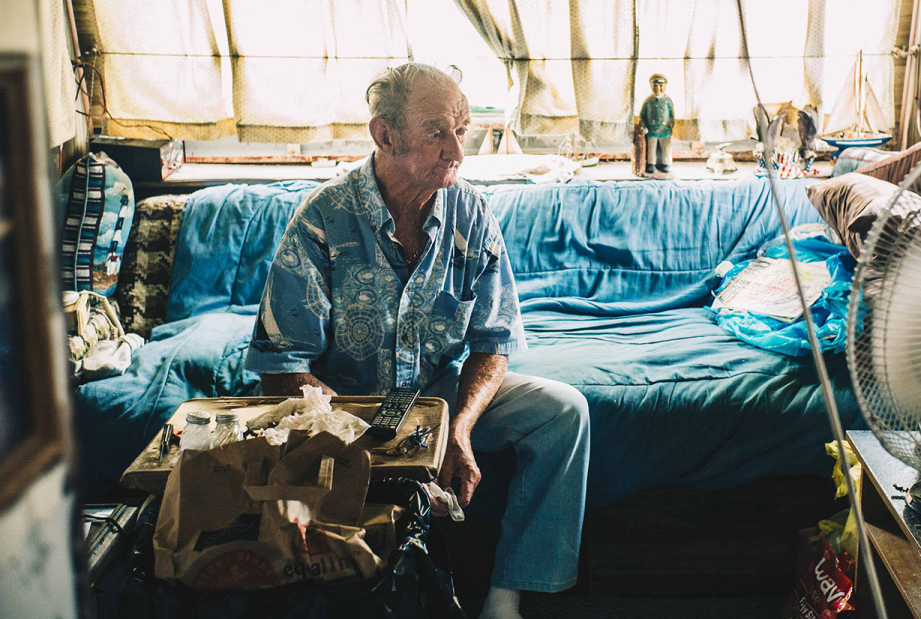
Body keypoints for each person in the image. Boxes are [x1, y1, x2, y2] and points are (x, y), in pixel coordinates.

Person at [248, 64, 590, 619]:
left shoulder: (472, 213)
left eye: (462, 128)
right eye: (437, 130)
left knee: (563, 413)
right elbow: (282, 366)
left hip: (438, 391)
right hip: (348, 401)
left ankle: (506, 596)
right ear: (385, 135)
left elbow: (493, 341)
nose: (458, 149)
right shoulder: (323, 218)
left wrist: (456, 428)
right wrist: (387, 446)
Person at [638, 73, 674, 176]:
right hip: (652, 129)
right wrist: (643, 125)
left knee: (666, 148)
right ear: (651, 86)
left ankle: (666, 163)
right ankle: (651, 164)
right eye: (655, 85)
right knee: (651, 148)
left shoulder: (667, 101)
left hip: (664, 130)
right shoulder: (648, 101)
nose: (658, 88)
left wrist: (670, 125)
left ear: (665, 86)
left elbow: (671, 114)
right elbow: (642, 115)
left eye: (661, 85)